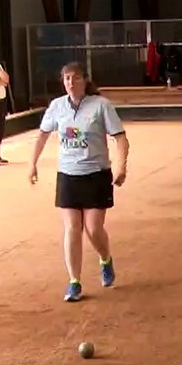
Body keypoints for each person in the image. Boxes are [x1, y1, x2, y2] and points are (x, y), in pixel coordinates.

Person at [29, 62, 129, 302]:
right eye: (66, 79)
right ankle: (74, 281)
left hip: (95, 173)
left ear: (85, 80)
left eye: (75, 78)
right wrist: (32, 163)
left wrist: (120, 165)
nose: (70, 83)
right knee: (72, 228)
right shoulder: (56, 107)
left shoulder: (101, 106)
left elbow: (121, 139)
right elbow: (42, 136)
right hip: (68, 174)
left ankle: (105, 259)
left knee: (93, 229)